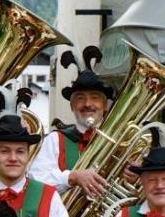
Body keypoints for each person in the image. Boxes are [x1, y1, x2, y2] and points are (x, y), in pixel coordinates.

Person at [32, 45, 113, 194]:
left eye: (94, 98)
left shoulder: (119, 141)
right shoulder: (56, 139)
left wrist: (132, 176)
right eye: (80, 98)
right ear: (72, 106)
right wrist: (71, 177)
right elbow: (37, 181)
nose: (88, 104)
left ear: (105, 105)